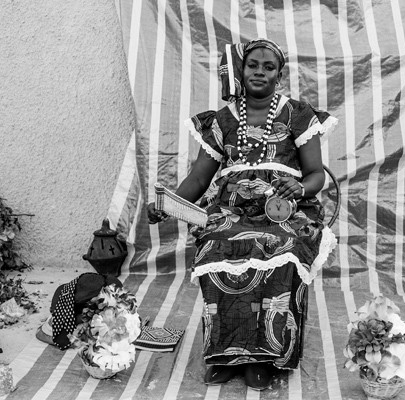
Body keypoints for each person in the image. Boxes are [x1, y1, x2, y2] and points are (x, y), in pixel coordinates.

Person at [147, 38, 338, 388]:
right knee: (217, 243)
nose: (260, 72)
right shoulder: (220, 120)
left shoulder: (299, 114)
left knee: (282, 246)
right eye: (253, 65)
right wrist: (167, 202)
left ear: (279, 75)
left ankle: (267, 356)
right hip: (229, 209)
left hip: (283, 209)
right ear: (241, 70)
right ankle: (226, 354)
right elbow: (200, 178)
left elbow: (315, 174)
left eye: (268, 67)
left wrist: (300, 188)